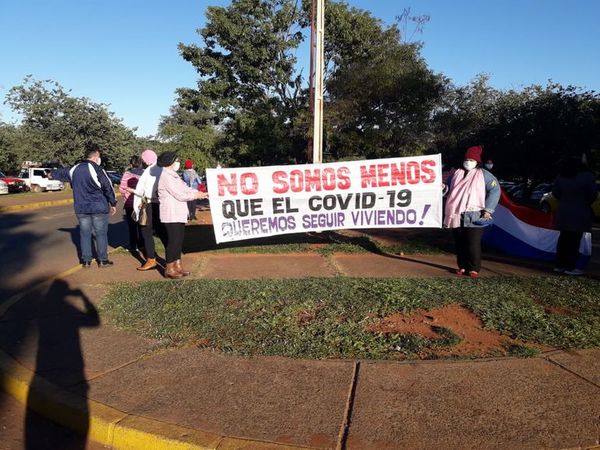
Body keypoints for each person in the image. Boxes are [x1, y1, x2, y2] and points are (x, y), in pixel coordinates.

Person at [51, 149, 117, 268]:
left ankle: (86, 261)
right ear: (95, 157)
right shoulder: (98, 169)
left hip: (81, 207)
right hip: (98, 207)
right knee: (101, 234)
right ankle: (103, 260)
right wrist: (113, 202)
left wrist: (50, 174)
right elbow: (108, 186)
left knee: (85, 234)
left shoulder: (74, 169)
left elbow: (58, 173)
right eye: (99, 156)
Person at [444, 145, 500, 277]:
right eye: (467, 159)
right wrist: (443, 188)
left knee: (472, 243)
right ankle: (462, 266)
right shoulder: (456, 174)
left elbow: (495, 191)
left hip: (474, 214)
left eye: (471, 159)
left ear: (477, 162)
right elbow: (448, 190)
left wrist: (488, 210)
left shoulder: (485, 175)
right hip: (456, 213)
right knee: (459, 242)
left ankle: (474, 268)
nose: (468, 162)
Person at [157, 152, 208, 279]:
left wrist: (199, 193)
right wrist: (196, 196)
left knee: (179, 241)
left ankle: (178, 265)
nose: (178, 163)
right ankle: (169, 268)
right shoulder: (165, 176)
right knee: (173, 241)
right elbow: (179, 194)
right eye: (176, 160)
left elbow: (185, 189)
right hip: (170, 213)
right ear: (170, 162)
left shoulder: (174, 176)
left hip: (178, 213)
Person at [552, 156, 598, 276]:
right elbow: (592, 194)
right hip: (580, 211)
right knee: (574, 240)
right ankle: (570, 266)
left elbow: (555, 192)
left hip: (564, 211)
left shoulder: (562, 176)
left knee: (563, 239)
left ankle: (559, 265)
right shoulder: (587, 177)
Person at [130, 149, 166, 271]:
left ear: (145, 161)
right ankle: (173, 260)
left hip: (150, 204)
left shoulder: (148, 172)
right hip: (161, 204)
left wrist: (132, 191)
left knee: (145, 231)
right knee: (162, 232)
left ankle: (151, 259)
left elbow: (141, 191)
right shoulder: (162, 169)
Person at [119, 155, 145, 252]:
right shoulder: (145, 173)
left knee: (132, 226)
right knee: (142, 224)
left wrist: (127, 193)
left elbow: (122, 188)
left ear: (131, 164)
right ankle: (142, 244)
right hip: (142, 203)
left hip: (130, 203)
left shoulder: (127, 174)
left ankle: (133, 246)